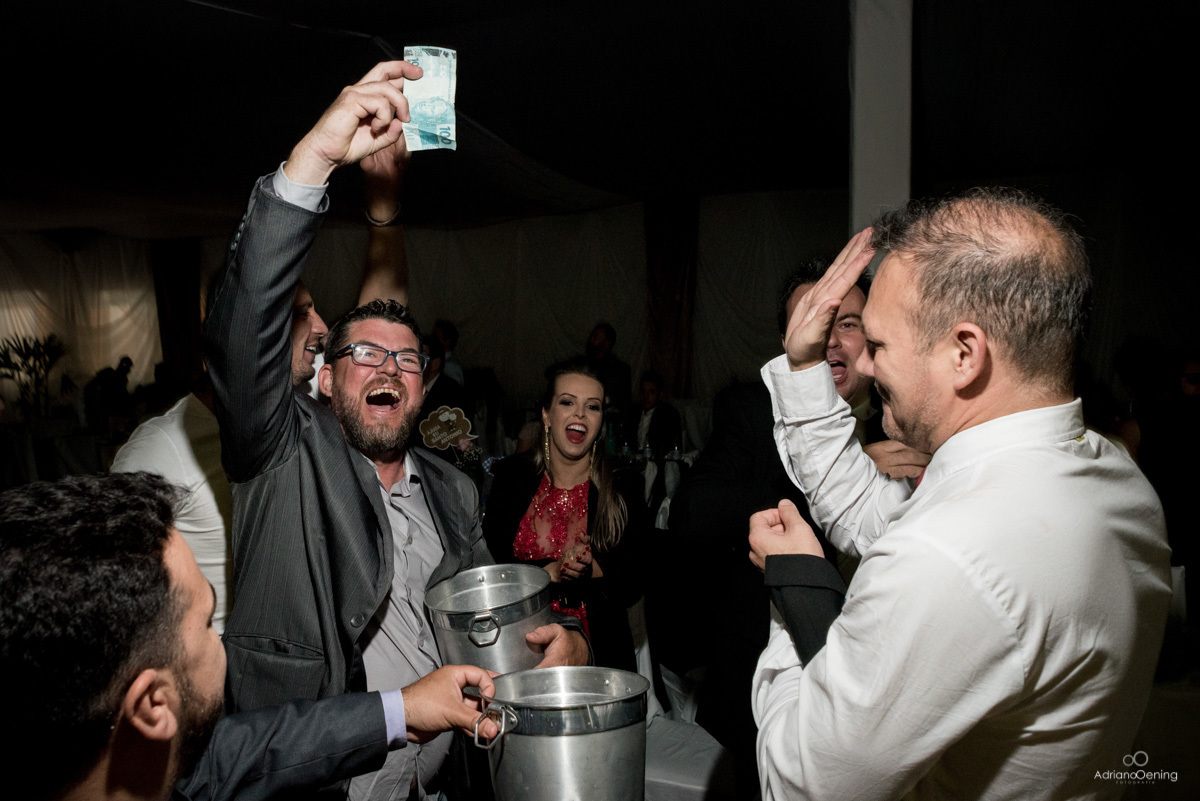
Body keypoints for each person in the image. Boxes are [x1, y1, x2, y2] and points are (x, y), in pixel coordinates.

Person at [203, 61, 586, 801]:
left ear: (423, 385)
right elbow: (244, 326)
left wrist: (564, 643)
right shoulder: (284, 454)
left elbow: (497, 624)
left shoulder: (451, 489)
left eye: (406, 359)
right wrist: (313, 159)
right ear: (325, 376)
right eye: (365, 353)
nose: (388, 365)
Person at [749, 190, 1172, 800]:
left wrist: (794, 587)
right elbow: (868, 515)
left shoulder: (947, 554)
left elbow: (799, 783)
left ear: (964, 354)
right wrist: (802, 364)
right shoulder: (1114, 477)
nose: (866, 367)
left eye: (882, 345)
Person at [0, 471, 498, 801]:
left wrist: (404, 709)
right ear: (153, 704)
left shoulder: (155, 765)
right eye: (207, 623)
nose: (224, 638)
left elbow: (256, 747)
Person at [663, 259, 917, 799]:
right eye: (814, 320)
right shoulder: (754, 410)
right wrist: (843, 478)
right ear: (788, 338)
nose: (830, 340)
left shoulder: (904, 416)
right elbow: (691, 514)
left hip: (876, 686)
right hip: (763, 675)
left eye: (846, 322)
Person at [485, 362, 648, 671]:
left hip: (599, 657)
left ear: (601, 421)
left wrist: (594, 567)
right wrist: (549, 572)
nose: (580, 415)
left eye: (593, 407)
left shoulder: (624, 484)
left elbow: (635, 580)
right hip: (518, 649)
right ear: (546, 415)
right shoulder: (511, 477)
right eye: (567, 402)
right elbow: (489, 567)